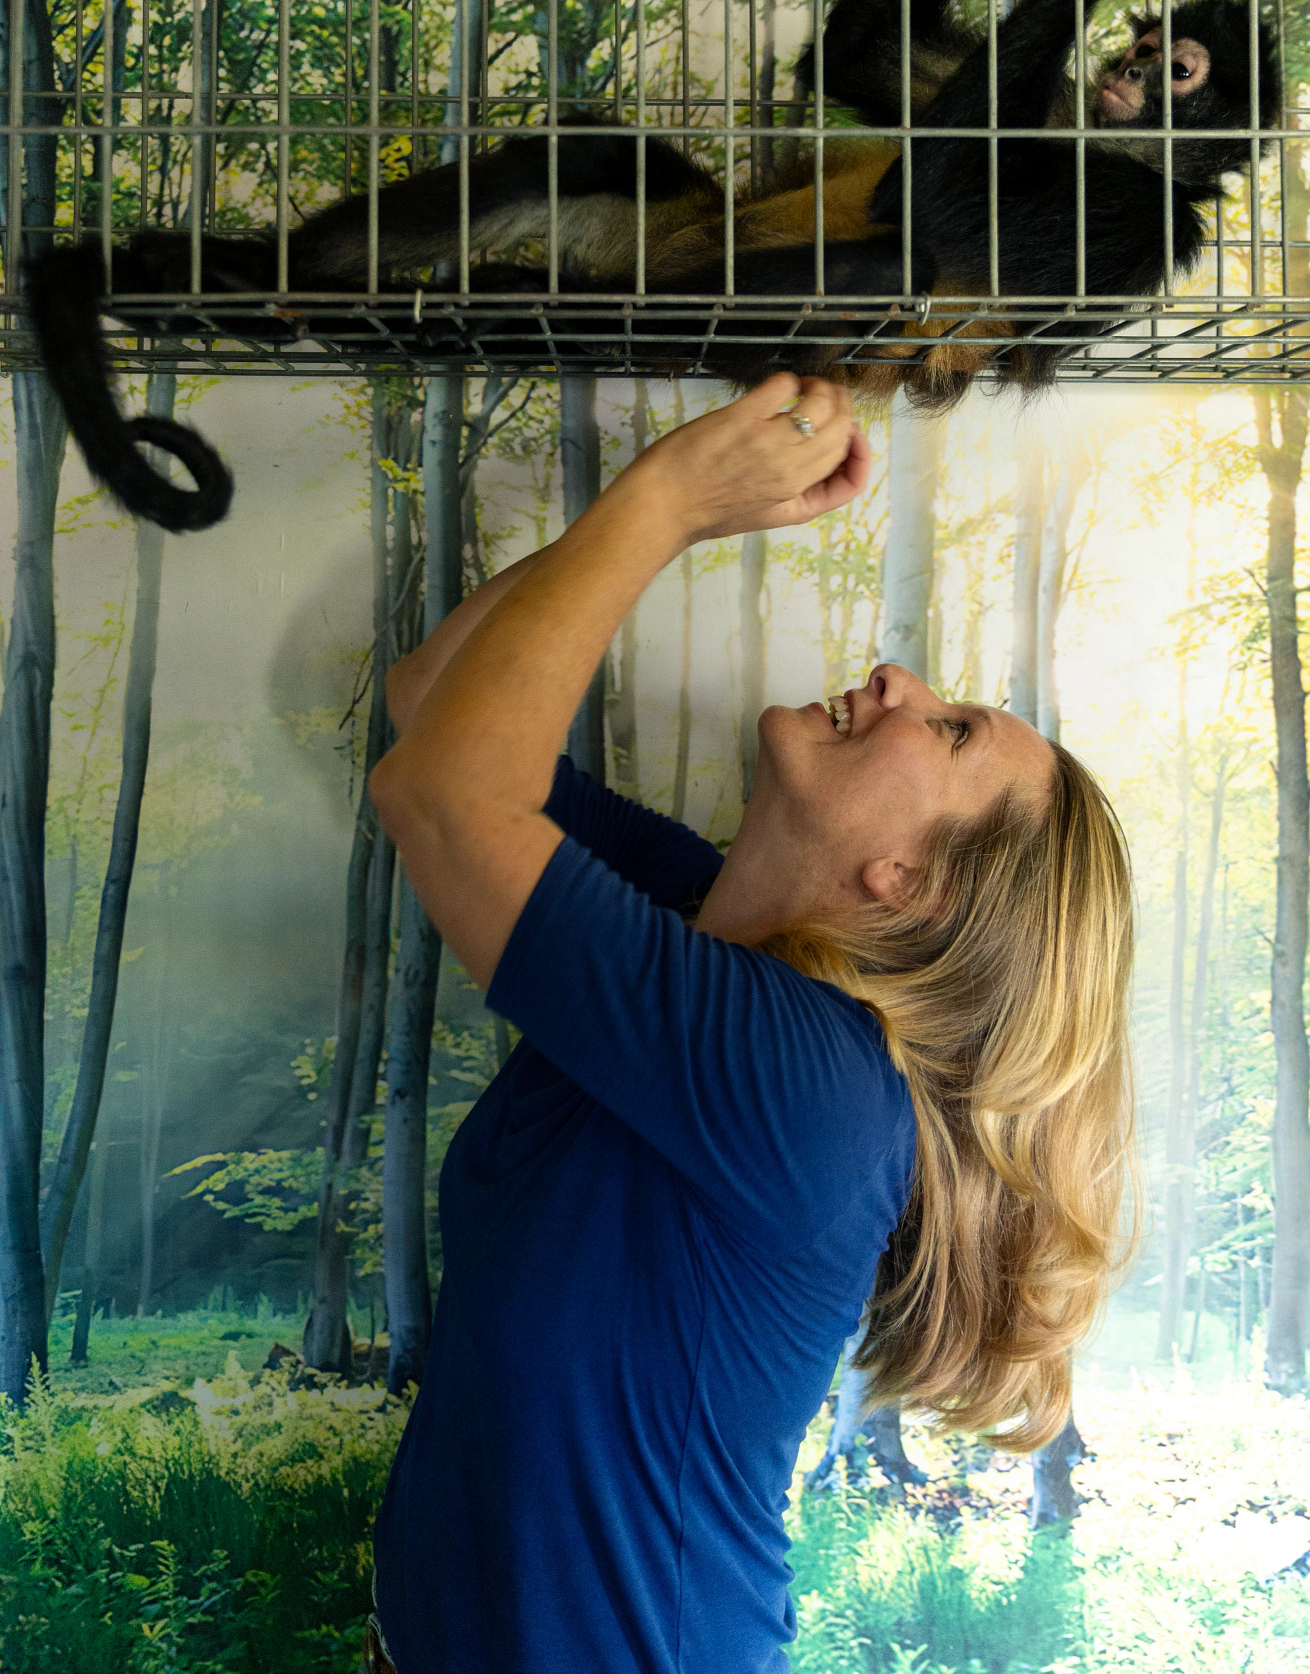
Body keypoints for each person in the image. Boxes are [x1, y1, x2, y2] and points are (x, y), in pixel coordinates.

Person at [363, 374, 1137, 1674]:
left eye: (946, 728)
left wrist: (666, 505)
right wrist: (670, 504)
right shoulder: (692, 919)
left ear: (910, 881)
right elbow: (431, 702)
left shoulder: (813, 1086)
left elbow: (436, 793)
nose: (894, 679)